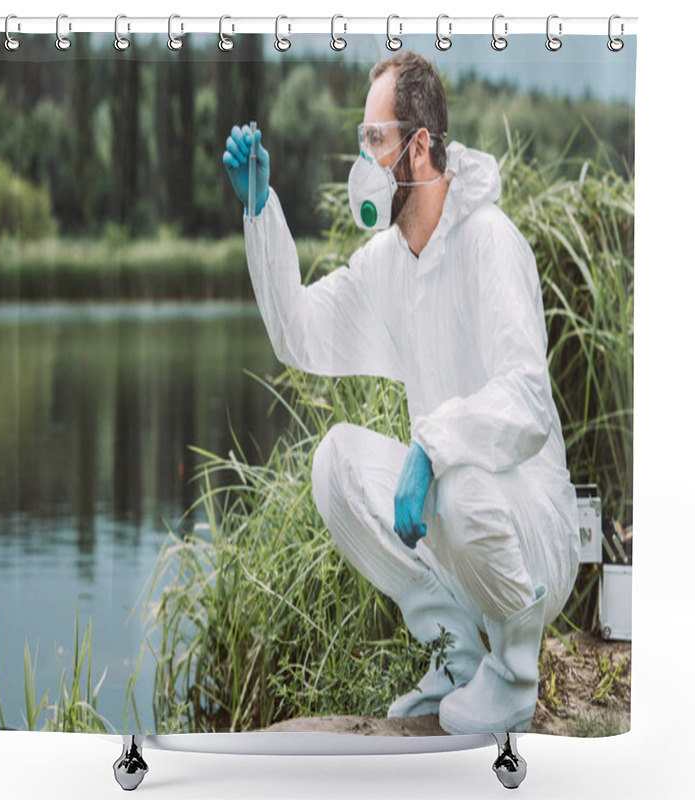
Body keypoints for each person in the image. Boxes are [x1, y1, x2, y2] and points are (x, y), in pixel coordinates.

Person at [222, 50, 580, 735]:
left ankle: (511, 673)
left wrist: (432, 445)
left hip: (530, 533)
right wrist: (260, 209)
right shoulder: (389, 263)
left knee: (461, 479)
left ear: (419, 147)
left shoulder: (491, 243)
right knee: (337, 464)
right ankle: (455, 652)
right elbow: (298, 334)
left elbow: (528, 402)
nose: (363, 160)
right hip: (457, 518)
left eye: (374, 140)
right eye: (363, 141)